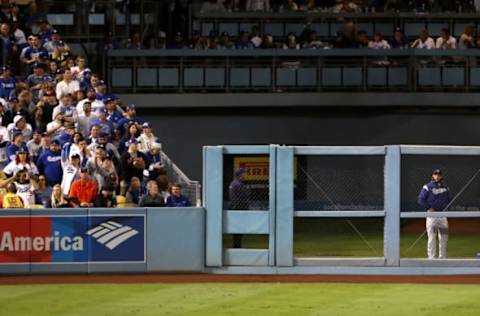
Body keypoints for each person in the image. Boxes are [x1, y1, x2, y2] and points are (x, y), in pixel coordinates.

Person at [417, 169, 450, 259]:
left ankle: (442, 257)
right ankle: (431, 258)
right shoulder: (427, 187)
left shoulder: (445, 187)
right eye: (435, 174)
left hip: (443, 215)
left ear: (441, 176)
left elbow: (448, 199)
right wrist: (428, 207)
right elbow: (420, 199)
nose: (437, 176)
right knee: (432, 237)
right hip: (432, 216)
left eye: (439, 174)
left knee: (444, 237)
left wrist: (447, 207)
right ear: (432, 175)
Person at [228, 167, 251, 248]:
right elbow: (243, 198)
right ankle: (237, 247)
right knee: (238, 231)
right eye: (244, 173)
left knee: (237, 231)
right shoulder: (238, 184)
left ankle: (236, 246)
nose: (245, 174)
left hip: (235, 209)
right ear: (240, 174)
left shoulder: (233, 183)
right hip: (239, 209)